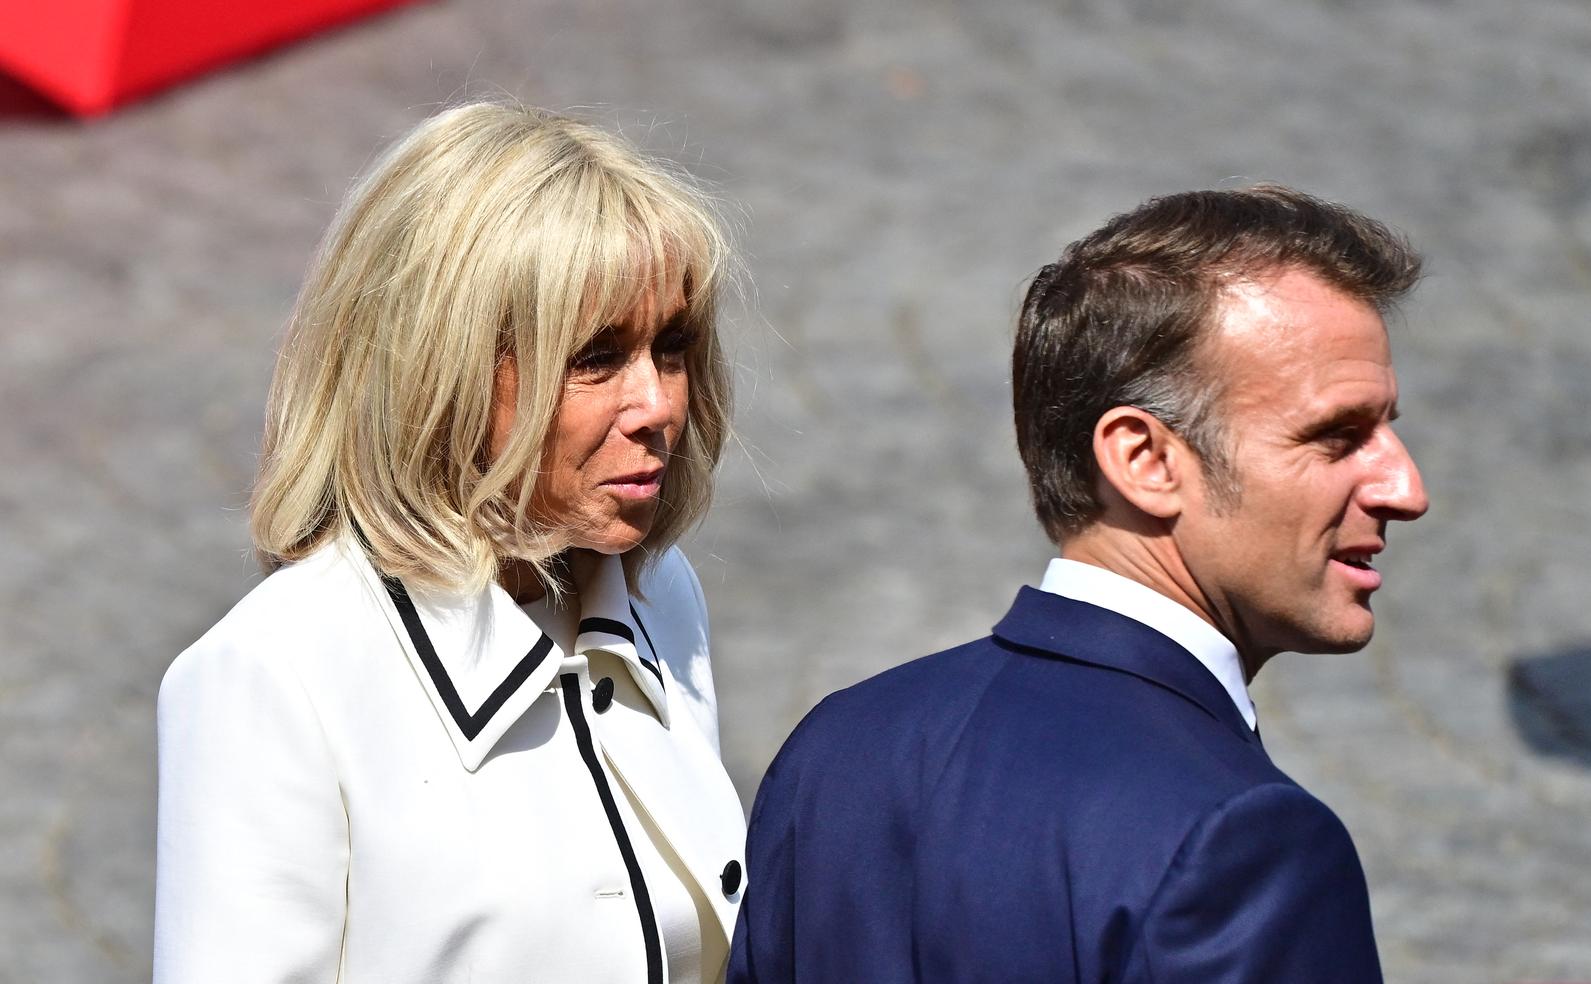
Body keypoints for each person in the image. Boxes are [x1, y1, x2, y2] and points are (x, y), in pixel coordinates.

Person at [729, 185, 1429, 983]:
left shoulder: (841, 746)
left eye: (1389, 432)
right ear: (1144, 461)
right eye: (1337, 436)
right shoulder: (1243, 843)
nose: (1406, 488)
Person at [154, 102, 746, 984]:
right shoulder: (275, 677)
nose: (658, 404)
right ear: (443, 371)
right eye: (595, 357)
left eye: (671, 346)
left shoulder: (661, 592)